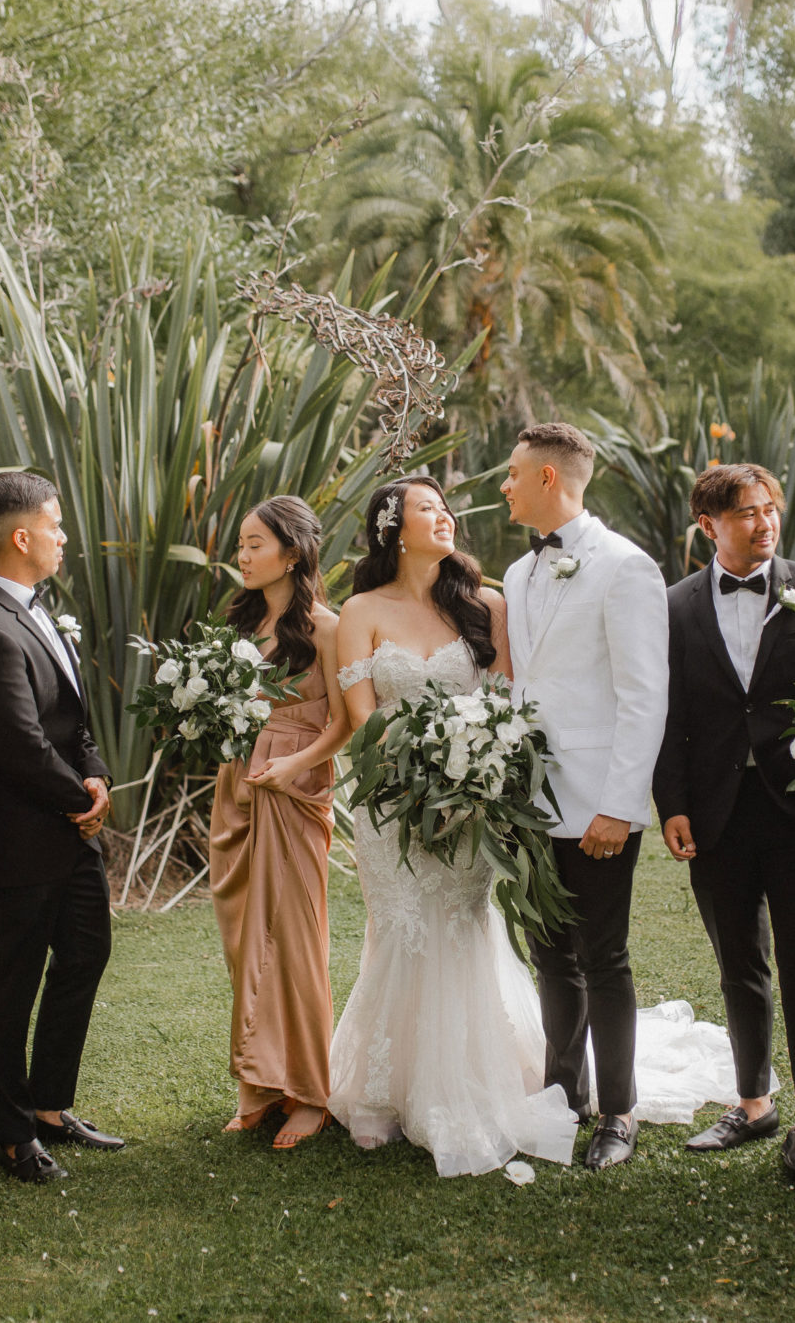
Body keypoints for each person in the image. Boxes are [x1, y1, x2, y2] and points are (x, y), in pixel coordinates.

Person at [326, 476, 581, 1177]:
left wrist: (471, 785)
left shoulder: (484, 606)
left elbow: (503, 711)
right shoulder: (361, 610)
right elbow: (361, 720)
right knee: (403, 930)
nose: (444, 518)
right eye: (426, 510)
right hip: (393, 807)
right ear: (392, 527)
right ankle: (386, 1085)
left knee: (462, 926)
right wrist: (420, 782)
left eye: (445, 508)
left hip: (474, 801)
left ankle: (467, 1078)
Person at [652, 464, 795, 1187]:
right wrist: (672, 803)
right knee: (739, 961)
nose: (764, 522)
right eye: (747, 512)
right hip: (714, 812)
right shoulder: (674, 606)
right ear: (709, 524)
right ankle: (754, 1101)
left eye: (770, 509)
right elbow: (667, 714)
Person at [499, 423, 670, 1171]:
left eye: (511, 474)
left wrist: (620, 804)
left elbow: (644, 695)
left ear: (546, 479)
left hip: (599, 803)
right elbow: (522, 687)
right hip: (530, 802)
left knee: (604, 957)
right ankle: (560, 1095)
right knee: (549, 956)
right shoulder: (515, 572)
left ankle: (618, 1112)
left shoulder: (626, 567)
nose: (502, 486)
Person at [0, 471, 124, 1185]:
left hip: (68, 829)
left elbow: (70, 718)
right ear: (21, 537)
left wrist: (94, 774)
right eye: (55, 524)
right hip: (20, 841)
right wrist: (78, 799)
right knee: (14, 983)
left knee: (86, 953)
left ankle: (53, 1105)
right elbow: (18, 741)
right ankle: (13, 1133)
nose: (62, 536)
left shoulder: (34, 610)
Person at [208, 496, 350, 1150]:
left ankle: (310, 1091)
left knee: (292, 939)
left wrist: (295, 762)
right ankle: (260, 1085)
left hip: (294, 793)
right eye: (241, 543)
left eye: (256, 543)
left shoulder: (326, 627)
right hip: (236, 787)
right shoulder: (236, 628)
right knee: (243, 937)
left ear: (292, 553)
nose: (243, 554)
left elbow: (346, 722)